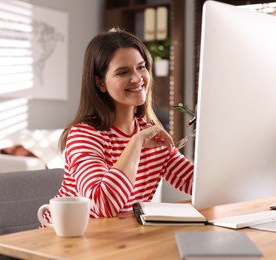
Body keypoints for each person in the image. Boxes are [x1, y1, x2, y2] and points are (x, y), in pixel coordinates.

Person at [44, 28, 194, 222]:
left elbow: (197, 185)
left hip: (117, 240)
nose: (138, 78)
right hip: (65, 240)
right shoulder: (84, 135)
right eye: (123, 72)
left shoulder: (149, 133)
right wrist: (136, 143)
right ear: (100, 84)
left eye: (141, 67)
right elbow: (103, 205)